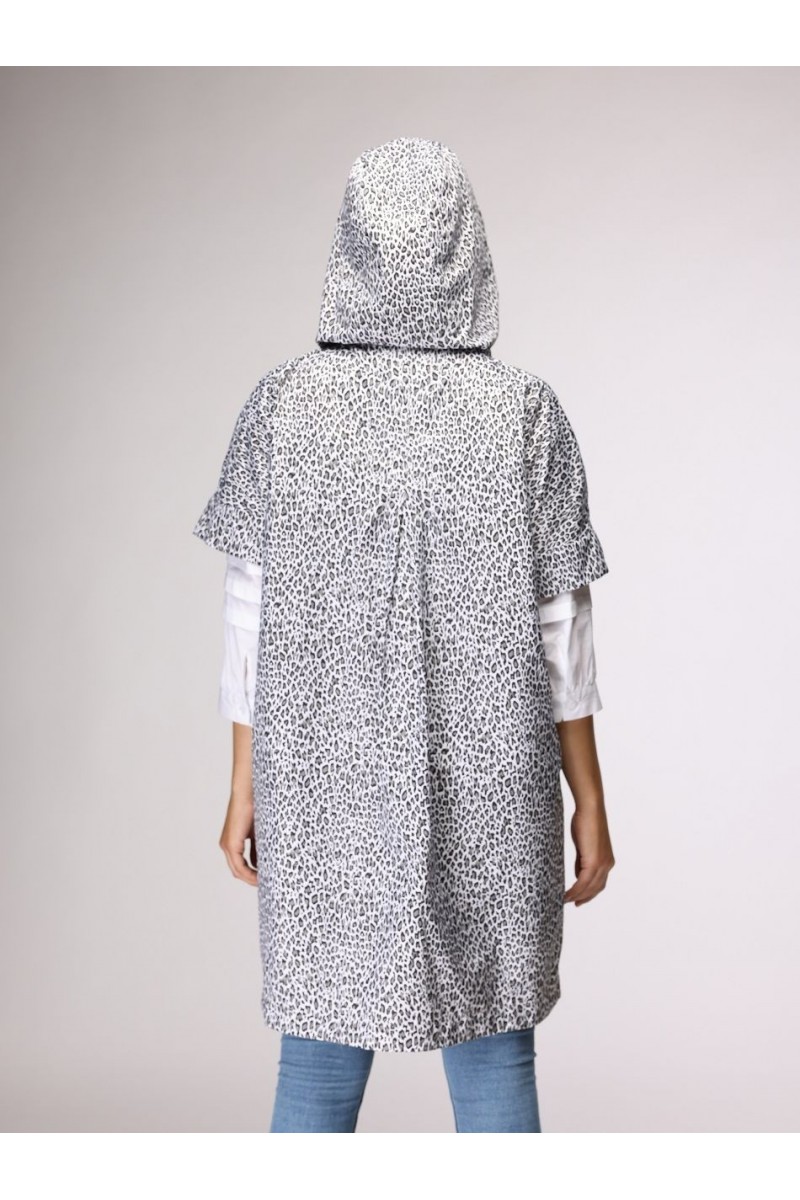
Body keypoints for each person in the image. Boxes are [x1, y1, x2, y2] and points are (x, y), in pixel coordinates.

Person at [192, 136, 615, 1134]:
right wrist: (590, 798)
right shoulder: (523, 412)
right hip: (491, 774)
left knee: (316, 1055)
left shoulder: (283, 404)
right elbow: (561, 627)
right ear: (468, 247)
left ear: (350, 245)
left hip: (323, 774)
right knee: (496, 1045)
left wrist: (244, 779)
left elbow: (249, 611)